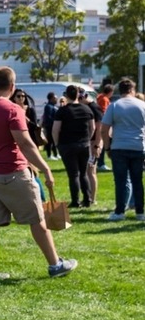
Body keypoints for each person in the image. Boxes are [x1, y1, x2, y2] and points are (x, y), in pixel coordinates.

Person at [0, 66, 77, 280]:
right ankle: (55, 265)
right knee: (37, 219)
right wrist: (45, 168)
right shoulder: (12, 109)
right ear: (12, 86)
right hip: (12, 173)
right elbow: (25, 143)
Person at [101, 77, 145, 221]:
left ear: (120, 90)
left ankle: (120, 211)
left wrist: (107, 147)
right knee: (137, 180)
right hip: (138, 146)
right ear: (132, 89)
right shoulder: (142, 105)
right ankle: (140, 211)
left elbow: (104, 129)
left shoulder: (114, 106)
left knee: (120, 181)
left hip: (119, 146)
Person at [51, 85, 94, 208]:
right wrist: (88, 139)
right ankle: (87, 199)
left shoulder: (63, 111)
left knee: (73, 174)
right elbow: (92, 127)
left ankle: (75, 201)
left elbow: (55, 130)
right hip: (84, 144)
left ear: (66, 95)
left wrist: (57, 144)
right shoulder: (86, 109)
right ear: (78, 95)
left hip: (67, 144)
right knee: (83, 173)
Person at [96, 84, 114, 171]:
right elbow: (104, 111)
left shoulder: (100, 97)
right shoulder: (104, 99)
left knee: (100, 143)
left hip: (99, 122)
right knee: (102, 143)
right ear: (110, 92)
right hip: (103, 123)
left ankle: (99, 163)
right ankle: (101, 163)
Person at [42, 92, 60, 160]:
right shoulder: (48, 107)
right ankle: (49, 155)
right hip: (50, 126)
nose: (56, 99)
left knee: (54, 141)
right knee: (49, 141)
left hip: (53, 126)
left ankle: (56, 154)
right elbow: (49, 118)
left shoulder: (53, 106)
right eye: (55, 98)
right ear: (51, 98)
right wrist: (54, 123)